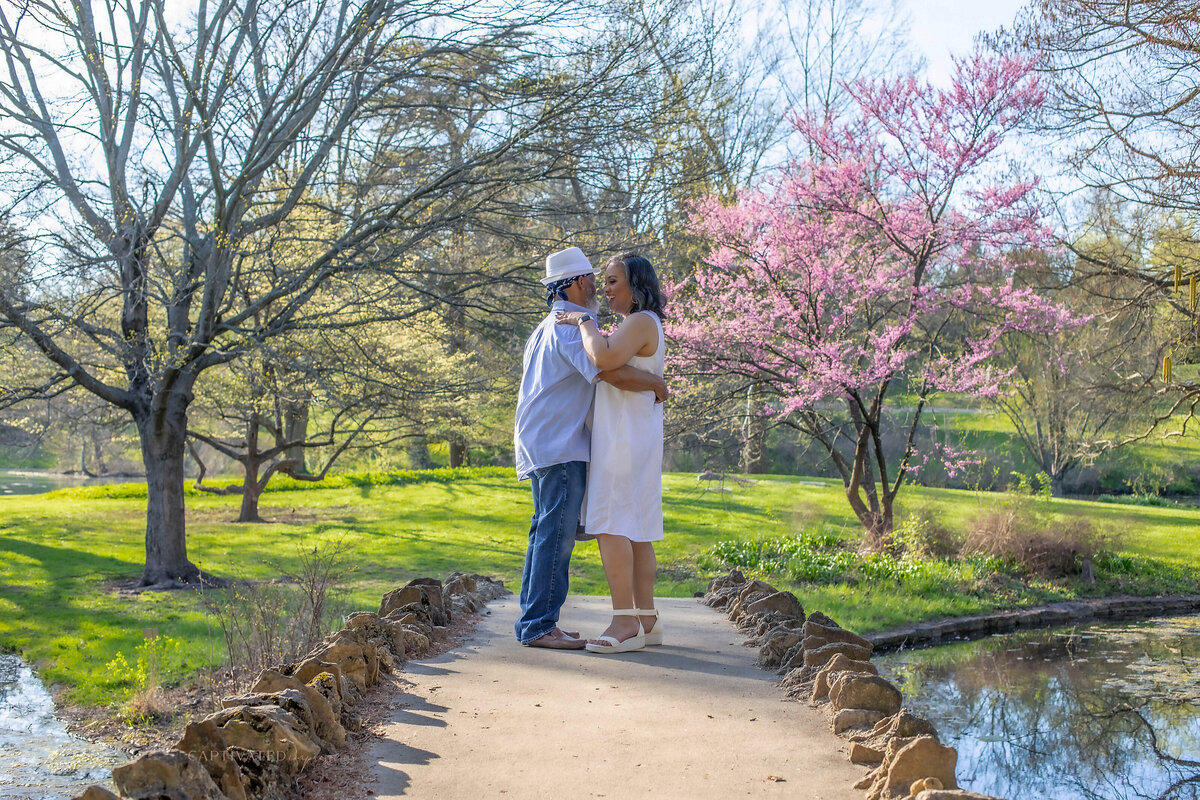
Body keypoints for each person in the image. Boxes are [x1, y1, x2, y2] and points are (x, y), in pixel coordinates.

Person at [513, 246, 668, 650]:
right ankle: (540, 625)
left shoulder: (548, 325)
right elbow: (606, 368)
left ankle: (535, 622)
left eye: (610, 281)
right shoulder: (571, 326)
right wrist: (654, 383)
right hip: (561, 444)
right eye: (597, 282)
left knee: (545, 530)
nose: (600, 289)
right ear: (580, 282)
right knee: (556, 534)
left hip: (544, 441)